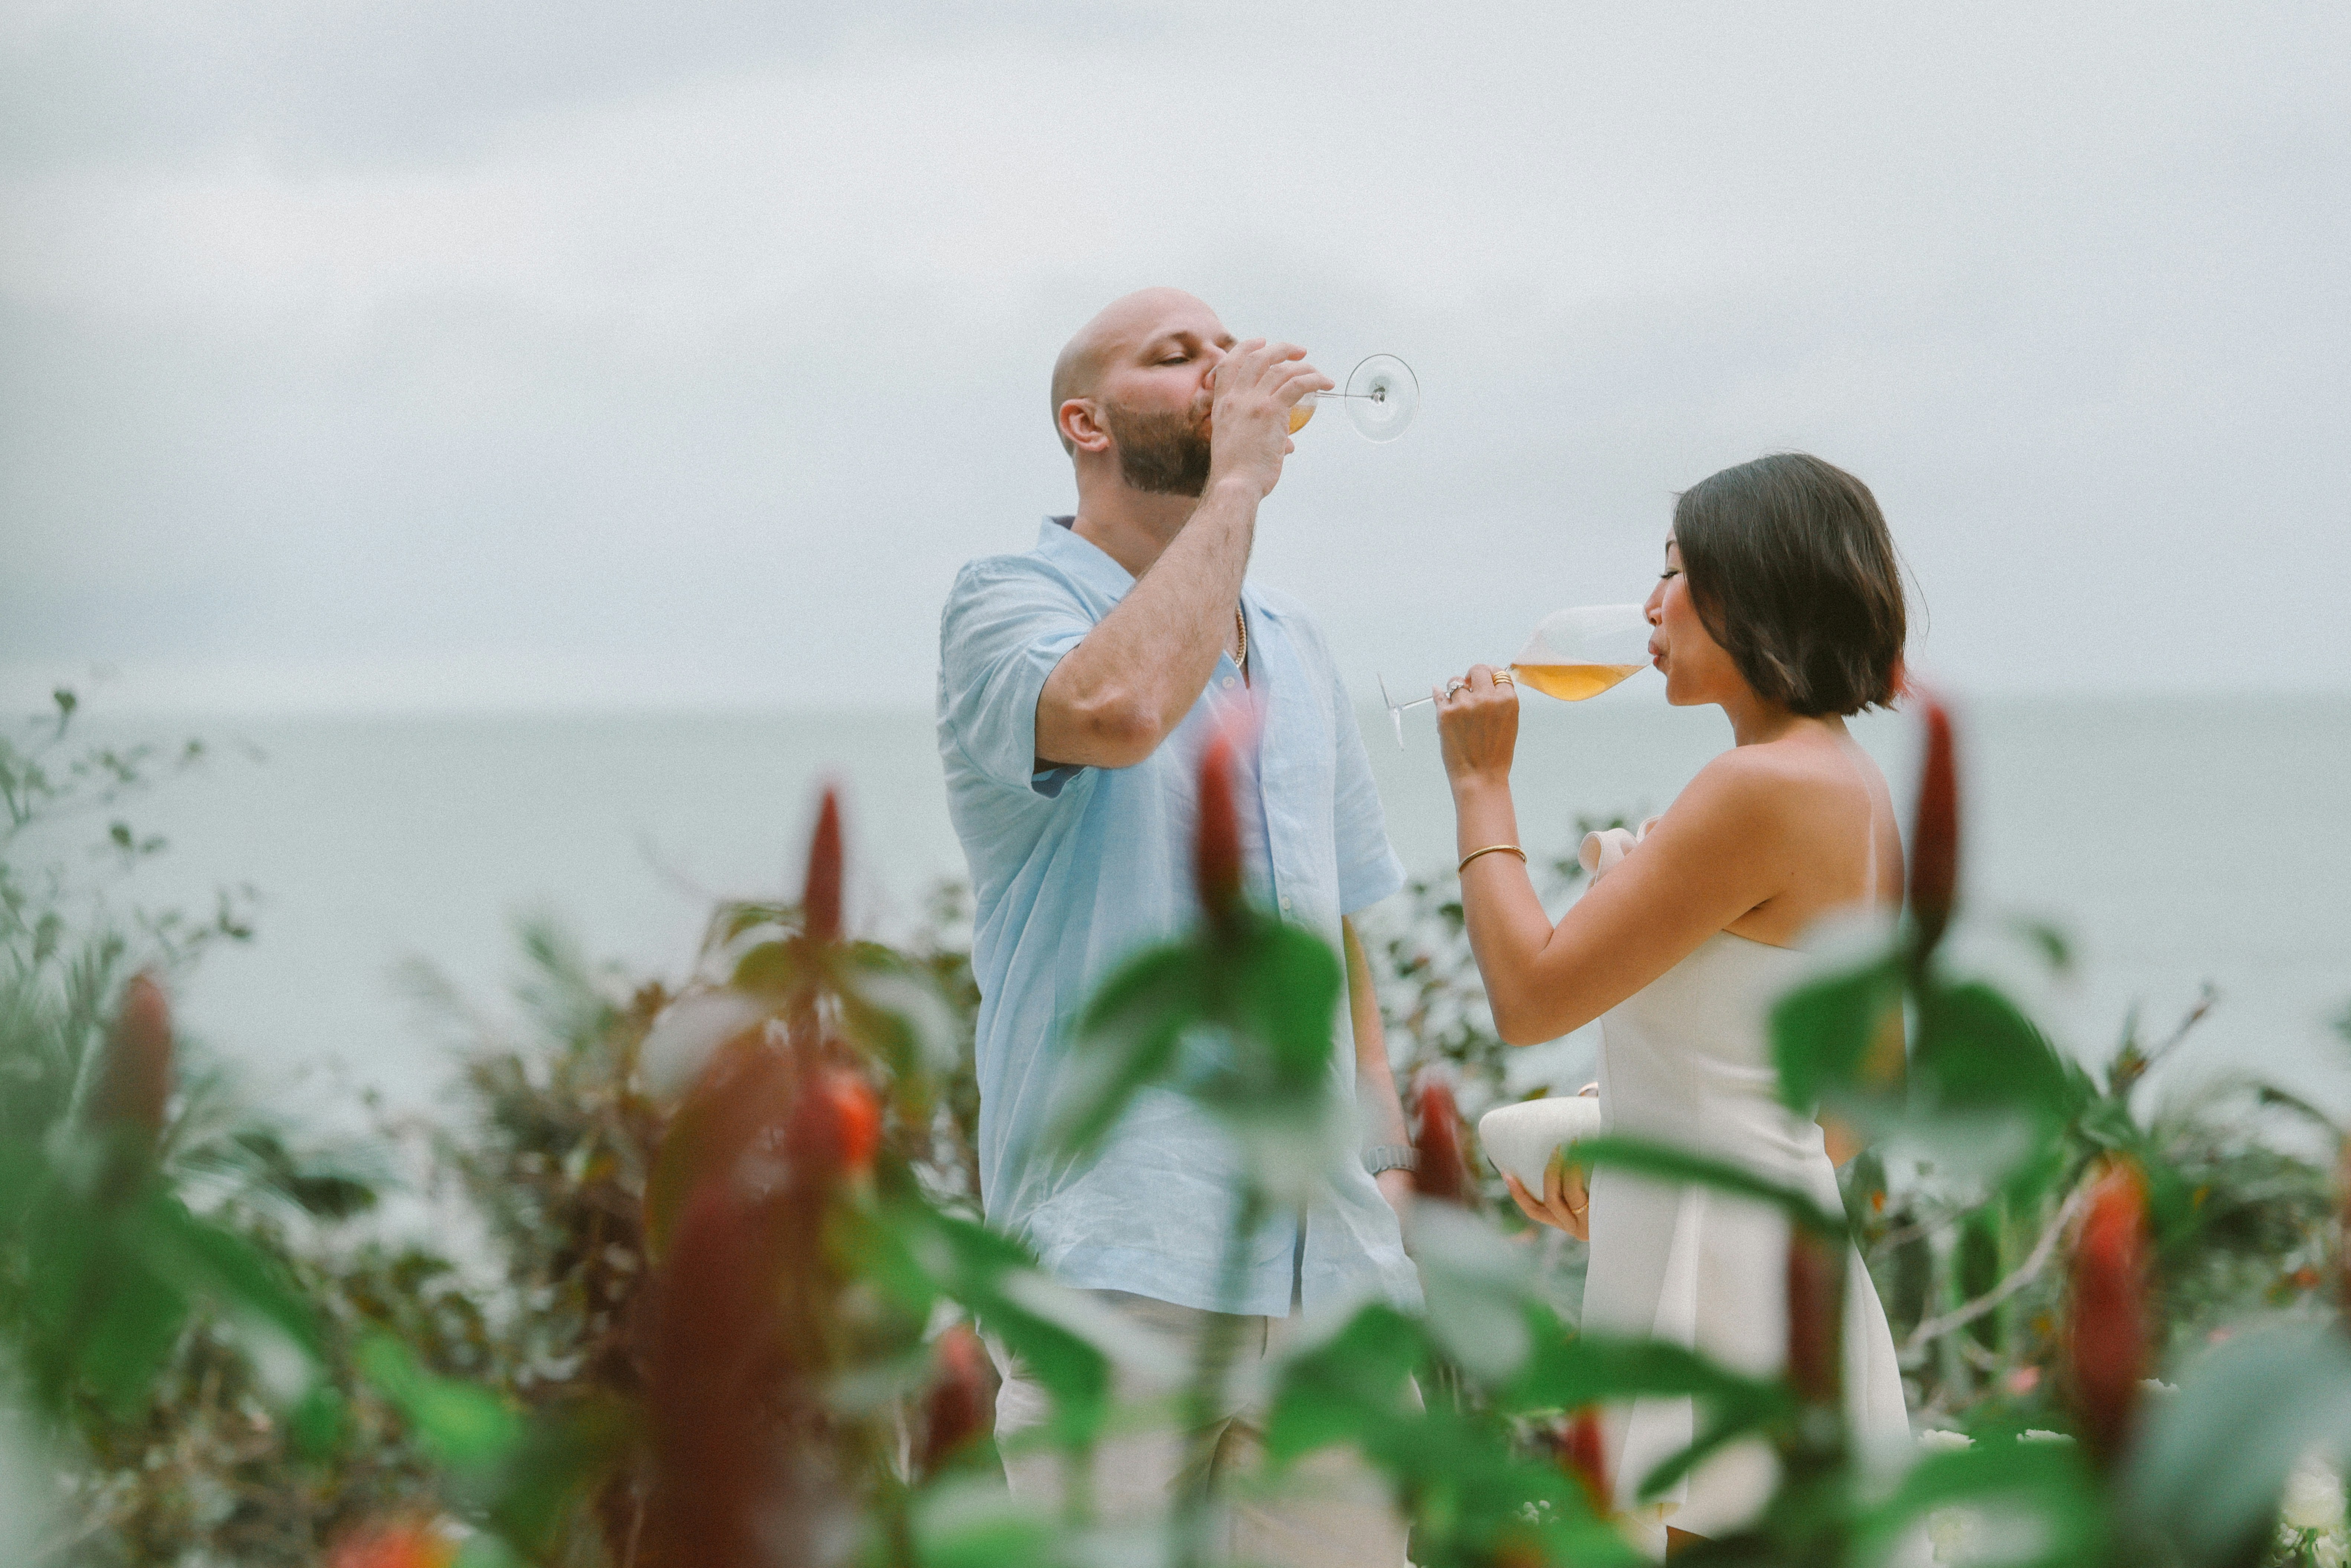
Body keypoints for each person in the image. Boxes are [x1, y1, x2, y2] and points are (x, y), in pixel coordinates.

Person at [935, 288, 1421, 1565]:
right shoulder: (1005, 602)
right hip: (1118, 1255)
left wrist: (1384, 1162)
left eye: (1226, 346)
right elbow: (1116, 712)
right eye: (1176, 356)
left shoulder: (1296, 642)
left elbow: (1333, 911)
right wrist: (1239, 485)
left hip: (1328, 1267)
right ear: (1084, 424)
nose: (1223, 368)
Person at [1432, 453, 1916, 1559]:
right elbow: (1859, 1096)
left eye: (1673, 573)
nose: (1649, 607)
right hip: (1774, 1259)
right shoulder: (1849, 782)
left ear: (1755, 588)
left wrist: (1480, 784)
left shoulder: (1760, 785)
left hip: (1722, 1284)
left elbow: (1529, 995)